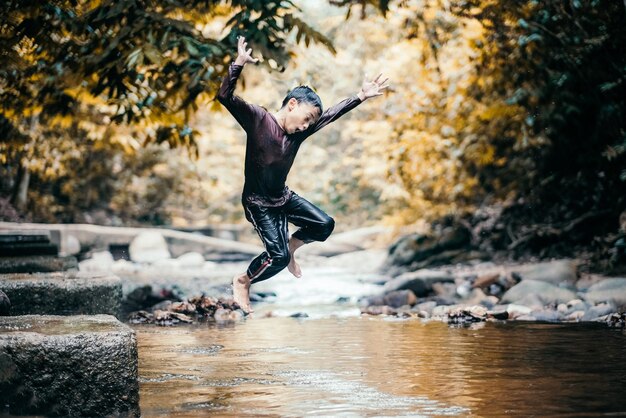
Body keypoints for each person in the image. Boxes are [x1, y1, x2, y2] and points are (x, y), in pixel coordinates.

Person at [216, 35, 389, 313]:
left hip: (283, 197)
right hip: (258, 203)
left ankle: (292, 248)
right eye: (306, 118)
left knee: (324, 225)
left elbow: (332, 114)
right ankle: (243, 280)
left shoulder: (299, 134)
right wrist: (238, 64)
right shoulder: (259, 120)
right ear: (293, 104)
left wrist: (360, 96)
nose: (306, 126)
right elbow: (224, 96)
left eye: (311, 123)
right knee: (278, 258)